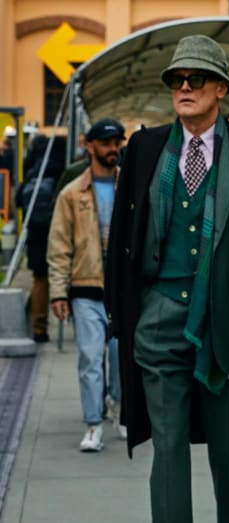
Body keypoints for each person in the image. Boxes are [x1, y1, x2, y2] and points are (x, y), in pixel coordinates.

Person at [105, 34, 229, 523]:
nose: (184, 87)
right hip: (158, 316)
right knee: (167, 445)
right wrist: (118, 311)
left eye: (196, 79)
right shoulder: (146, 147)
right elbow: (122, 237)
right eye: (177, 79)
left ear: (221, 89)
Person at [47, 118, 127, 452]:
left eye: (117, 142)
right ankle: (93, 423)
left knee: (122, 359)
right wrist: (58, 292)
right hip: (85, 289)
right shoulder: (71, 193)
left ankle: (120, 407)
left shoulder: (131, 187)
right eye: (107, 143)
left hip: (122, 291)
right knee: (91, 358)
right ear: (90, 145)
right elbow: (59, 246)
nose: (113, 149)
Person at [15, 134, 67, 343]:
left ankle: (39, 328)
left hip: (36, 232)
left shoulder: (33, 170)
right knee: (62, 275)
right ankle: (66, 315)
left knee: (39, 280)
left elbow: (19, 200)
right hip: (58, 230)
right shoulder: (61, 170)